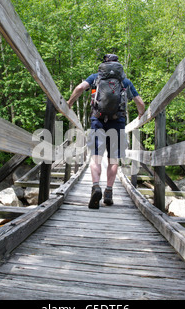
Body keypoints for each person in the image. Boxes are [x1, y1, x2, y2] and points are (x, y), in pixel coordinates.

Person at [67, 54, 145, 209]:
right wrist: (141, 114)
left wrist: (69, 104)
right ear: (118, 66)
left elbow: (79, 88)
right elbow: (139, 102)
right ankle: (108, 192)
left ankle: (96, 187)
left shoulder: (95, 78)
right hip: (117, 121)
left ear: (103, 64)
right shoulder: (124, 81)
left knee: (96, 157)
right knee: (113, 159)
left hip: (98, 119)